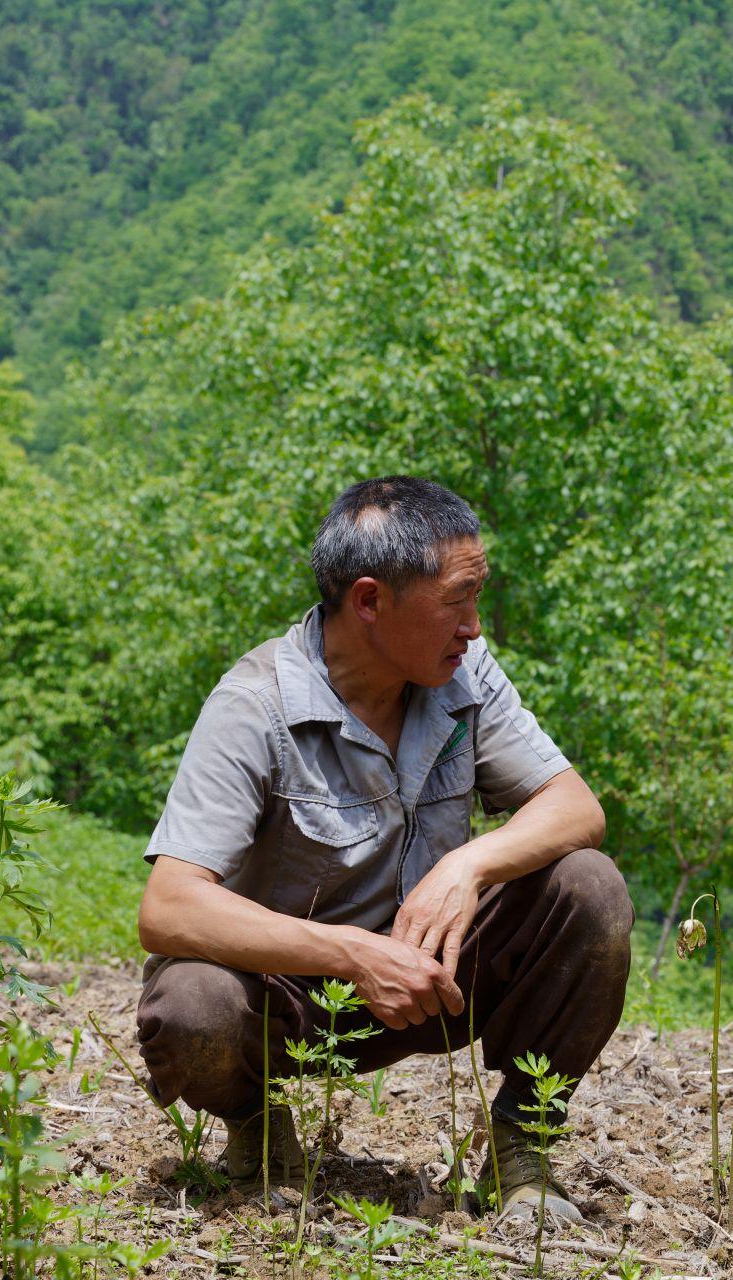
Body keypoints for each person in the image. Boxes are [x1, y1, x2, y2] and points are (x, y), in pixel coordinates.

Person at [135, 476, 632, 1221]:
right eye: (456, 599)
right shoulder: (254, 704)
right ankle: (254, 1125)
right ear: (370, 601)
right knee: (191, 1006)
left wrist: (469, 864)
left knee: (590, 888)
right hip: (293, 998)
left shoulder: (464, 673)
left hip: (438, 977)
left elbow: (575, 807)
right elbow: (168, 907)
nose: (472, 625)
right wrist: (350, 955)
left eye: (477, 597)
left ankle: (520, 1144)